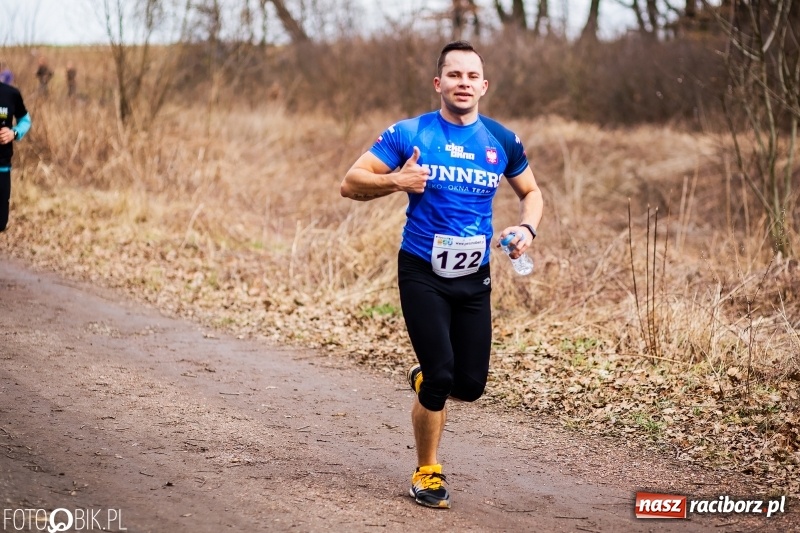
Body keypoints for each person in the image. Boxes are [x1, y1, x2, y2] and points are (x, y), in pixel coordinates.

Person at [340, 40, 544, 509]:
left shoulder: (501, 141)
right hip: (422, 271)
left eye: (472, 77)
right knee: (440, 376)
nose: (463, 84)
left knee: (469, 385)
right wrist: (397, 181)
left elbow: (532, 192)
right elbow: (350, 182)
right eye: (454, 75)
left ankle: (427, 378)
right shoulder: (409, 134)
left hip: (474, 275)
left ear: (484, 86)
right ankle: (427, 472)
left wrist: (526, 226)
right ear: (438, 83)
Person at [0, 78, 32, 232]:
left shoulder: (10, 94)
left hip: (2, 167)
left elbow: (25, 120)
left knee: (0, 222)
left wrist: (14, 133)